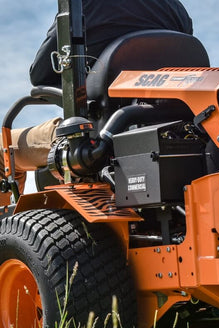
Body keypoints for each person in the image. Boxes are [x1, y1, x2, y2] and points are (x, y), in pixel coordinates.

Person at [0, 0, 193, 206]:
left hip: (97, 137)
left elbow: (41, 74)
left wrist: (88, 80)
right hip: (177, 132)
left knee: (3, 148)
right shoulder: (175, 8)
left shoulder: (82, 5)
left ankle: (11, 230)